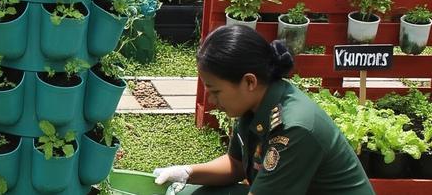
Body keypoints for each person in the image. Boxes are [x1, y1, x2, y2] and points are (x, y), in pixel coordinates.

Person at [153, 25, 373, 194]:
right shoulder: (256, 103)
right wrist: (187, 173)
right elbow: (236, 164)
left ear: (249, 82)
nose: (210, 100)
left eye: (216, 91)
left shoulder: (294, 128)